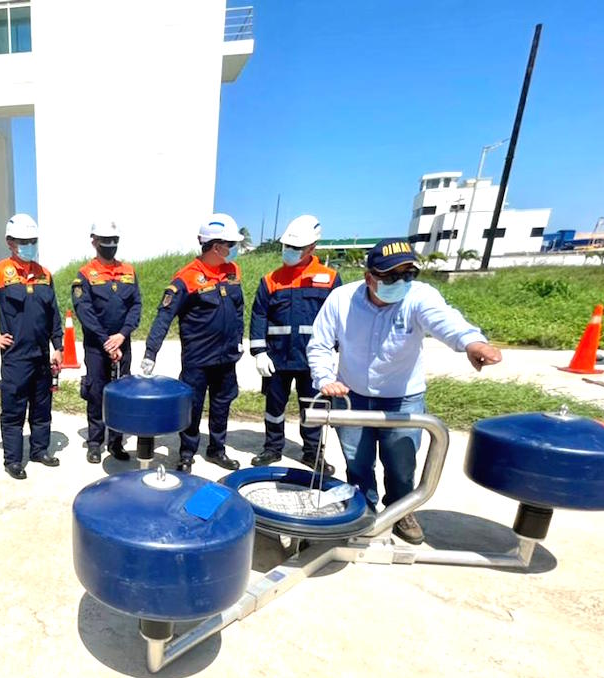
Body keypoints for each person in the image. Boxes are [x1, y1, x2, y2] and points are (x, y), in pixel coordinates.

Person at [308, 238, 502, 544]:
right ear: (369, 276)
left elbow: (444, 320)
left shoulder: (419, 297)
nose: (399, 282)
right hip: (352, 394)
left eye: (407, 275)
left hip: (402, 398)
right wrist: (323, 378)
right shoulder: (341, 300)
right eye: (390, 276)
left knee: (401, 464)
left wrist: (471, 342)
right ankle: (364, 508)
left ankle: (400, 511)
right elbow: (319, 344)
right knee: (357, 461)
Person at [141, 214, 246, 473]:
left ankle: (217, 449)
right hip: (198, 359)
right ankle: (186, 454)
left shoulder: (232, 271)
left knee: (223, 403)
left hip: (226, 357)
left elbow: (238, 307)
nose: (232, 250)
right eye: (229, 245)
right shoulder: (186, 277)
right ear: (215, 246)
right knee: (193, 406)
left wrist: (239, 339)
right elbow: (164, 315)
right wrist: (151, 352)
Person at [0, 213, 63, 479]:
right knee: (13, 410)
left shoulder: (44, 274)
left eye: (32, 240)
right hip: (15, 357)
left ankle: (39, 450)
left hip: (42, 356)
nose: (28, 245)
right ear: (10, 242)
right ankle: (13, 460)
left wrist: (58, 346)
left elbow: (53, 314)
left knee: (42, 406)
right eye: (23, 241)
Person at [249, 214, 340, 473]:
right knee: (274, 406)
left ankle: (313, 453)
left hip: (313, 359)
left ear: (312, 248)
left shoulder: (330, 278)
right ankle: (272, 447)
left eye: (295, 248)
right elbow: (259, 315)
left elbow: (340, 317)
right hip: (277, 357)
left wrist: (341, 351)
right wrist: (259, 352)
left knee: (313, 407)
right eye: (286, 247)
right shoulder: (271, 279)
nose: (288, 252)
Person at [72, 219, 141, 464]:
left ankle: (116, 442)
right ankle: (94, 442)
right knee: (96, 393)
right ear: (94, 241)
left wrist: (122, 335)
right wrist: (106, 341)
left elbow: (136, 306)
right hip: (96, 346)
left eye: (114, 241)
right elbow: (85, 311)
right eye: (105, 241)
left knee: (120, 393)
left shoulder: (129, 271)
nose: (110, 245)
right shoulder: (84, 275)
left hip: (123, 342)